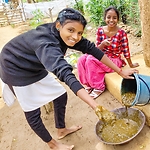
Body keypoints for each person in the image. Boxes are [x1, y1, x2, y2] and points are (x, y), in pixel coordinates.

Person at [0, 8, 138, 150]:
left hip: (33, 65)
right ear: (58, 25)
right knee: (33, 111)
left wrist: (120, 71)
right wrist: (97, 107)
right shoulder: (46, 44)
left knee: (60, 94)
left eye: (79, 33)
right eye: (71, 30)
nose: (75, 36)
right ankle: (53, 144)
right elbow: (67, 75)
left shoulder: (65, 35)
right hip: (15, 68)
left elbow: (93, 49)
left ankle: (61, 130)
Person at [77, 6, 139, 99]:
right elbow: (96, 49)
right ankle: (89, 85)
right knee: (82, 59)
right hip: (102, 57)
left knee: (90, 59)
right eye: (109, 17)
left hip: (114, 61)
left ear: (118, 19)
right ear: (105, 18)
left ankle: (99, 87)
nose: (111, 20)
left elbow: (126, 51)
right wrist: (102, 44)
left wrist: (130, 64)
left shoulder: (121, 33)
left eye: (114, 18)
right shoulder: (100, 31)